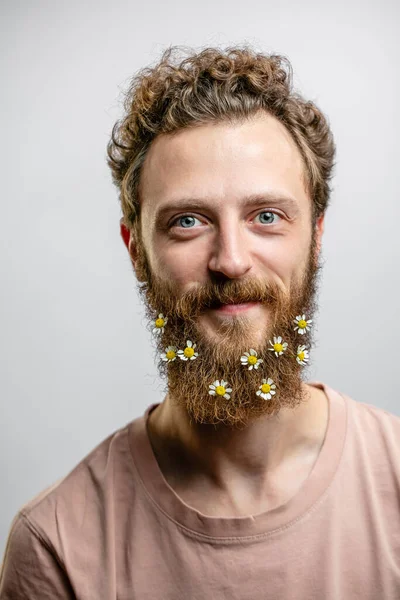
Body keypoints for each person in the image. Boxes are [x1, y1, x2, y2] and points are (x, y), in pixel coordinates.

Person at [1, 46, 399, 600]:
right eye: (188, 221)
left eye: (267, 216)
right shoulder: (58, 544)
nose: (230, 260)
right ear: (136, 249)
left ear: (316, 236)